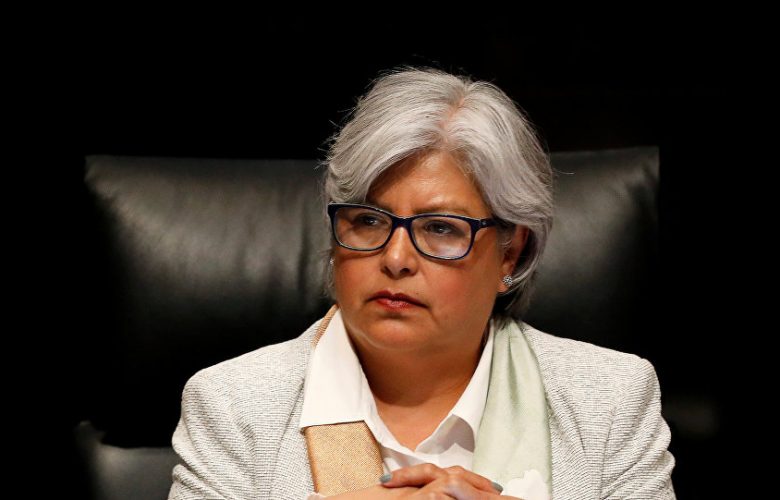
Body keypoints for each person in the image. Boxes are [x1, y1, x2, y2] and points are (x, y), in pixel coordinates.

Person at [167, 67, 676, 499]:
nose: (395, 258)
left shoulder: (610, 401)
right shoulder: (232, 405)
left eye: (440, 229)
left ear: (511, 252)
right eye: (368, 221)